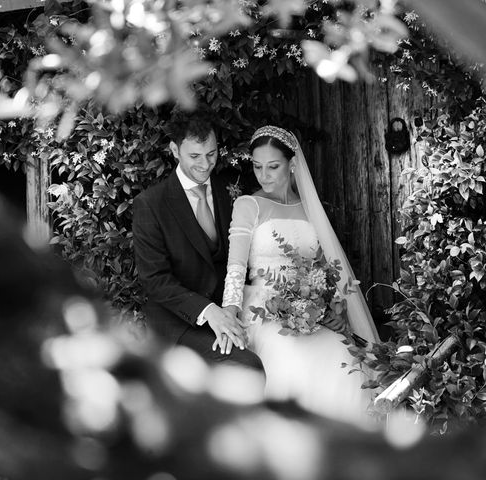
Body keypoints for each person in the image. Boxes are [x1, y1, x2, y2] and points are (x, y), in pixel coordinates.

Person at [221, 125, 380, 424]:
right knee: (291, 362)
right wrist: (229, 312)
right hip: (262, 310)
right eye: (257, 167)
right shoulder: (248, 205)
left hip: (308, 310)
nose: (263, 175)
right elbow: (235, 268)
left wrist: (327, 307)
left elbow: (323, 268)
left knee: (341, 357)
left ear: (292, 164)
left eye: (273, 166)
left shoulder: (310, 210)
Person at [132, 107, 263, 372]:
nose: (205, 164)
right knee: (247, 367)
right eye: (194, 156)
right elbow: (155, 280)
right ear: (174, 150)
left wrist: (229, 310)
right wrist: (209, 312)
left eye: (211, 154)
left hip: (234, 310)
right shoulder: (151, 204)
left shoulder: (232, 189)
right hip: (179, 323)